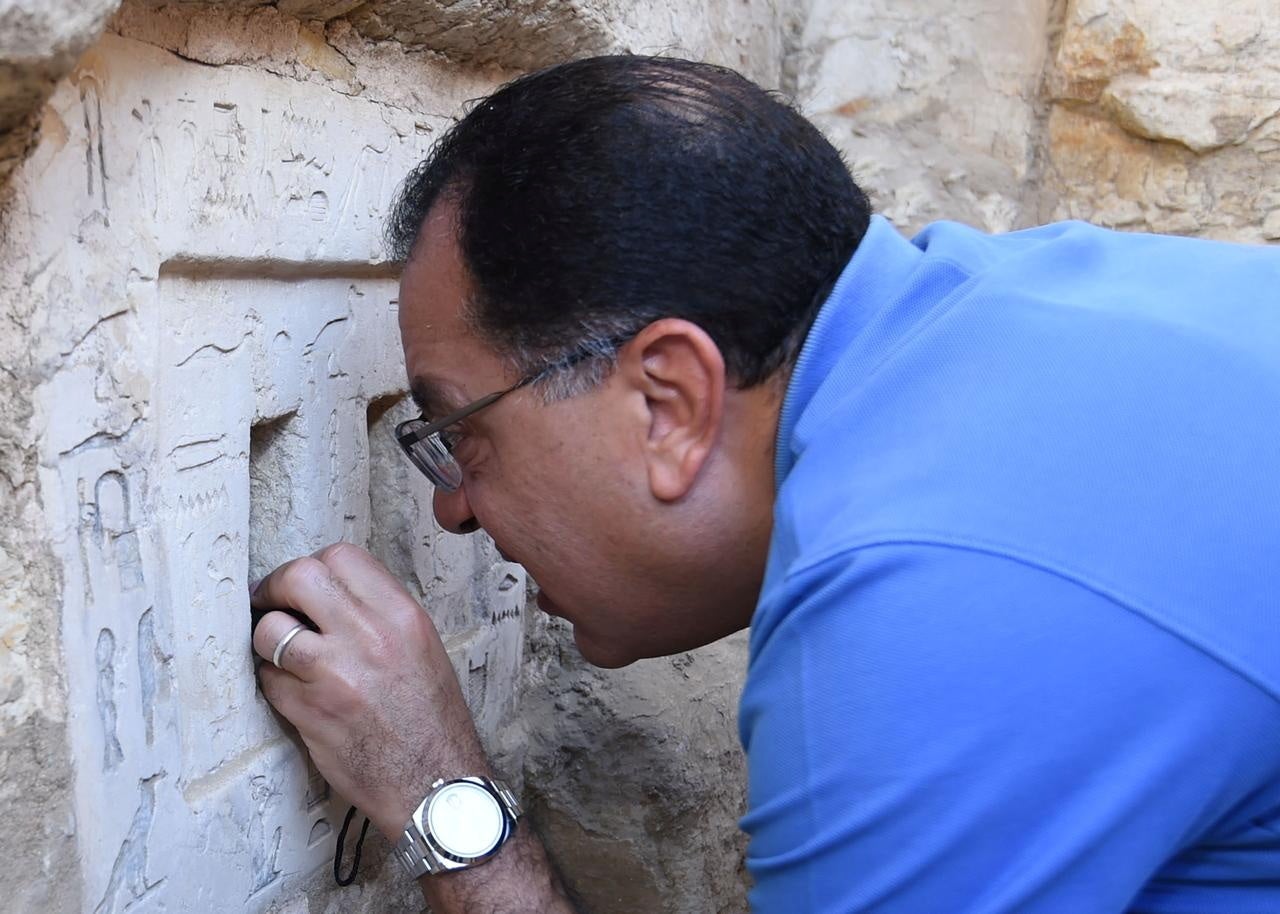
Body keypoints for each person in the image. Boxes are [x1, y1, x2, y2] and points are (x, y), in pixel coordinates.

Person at [248, 55, 1280, 912]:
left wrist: (441, 795)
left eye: (462, 433)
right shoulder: (1025, 303)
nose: (451, 507)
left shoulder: (916, 594)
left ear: (668, 399)